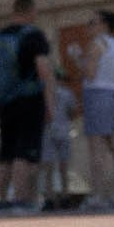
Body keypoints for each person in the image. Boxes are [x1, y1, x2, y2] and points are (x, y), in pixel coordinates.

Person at [0, 0, 54, 209]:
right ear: (30, 11)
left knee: (5, 150)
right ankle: (20, 199)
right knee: (24, 151)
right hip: (28, 98)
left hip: (3, 100)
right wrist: (50, 103)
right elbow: (43, 69)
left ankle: (2, 200)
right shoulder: (33, 36)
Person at [81, 9, 114, 209]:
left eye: (92, 22)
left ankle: (98, 195)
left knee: (97, 149)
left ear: (103, 24)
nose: (89, 26)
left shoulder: (96, 45)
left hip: (97, 95)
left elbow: (90, 74)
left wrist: (79, 61)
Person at [39, 66, 81, 208]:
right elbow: (74, 112)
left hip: (48, 130)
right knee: (63, 165)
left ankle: (50, 196)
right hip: (62, 130)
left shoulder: (44, 92)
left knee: (49, 166)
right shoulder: (67, 94)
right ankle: (64, 195)